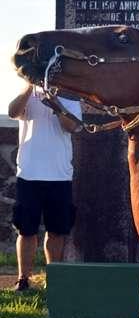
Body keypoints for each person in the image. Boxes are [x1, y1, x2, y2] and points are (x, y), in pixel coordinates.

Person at [8, 83, 82, 291]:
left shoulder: (70, 97)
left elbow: (71, 126)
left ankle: (53, 279)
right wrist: (28, 88)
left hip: (59, 176)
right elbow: (13, 112)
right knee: (26, 230)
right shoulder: (27, 94)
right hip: (29, 174)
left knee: (57, 231)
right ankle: (23, 279)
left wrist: (55, 102)